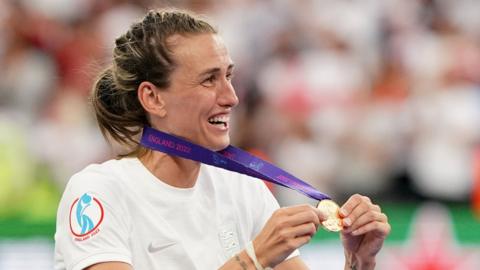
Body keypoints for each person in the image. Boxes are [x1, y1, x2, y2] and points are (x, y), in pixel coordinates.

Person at [54, 9, 390, 270]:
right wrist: (255, 259)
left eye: (228, 76)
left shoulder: (245, 190)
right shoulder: (98, 192)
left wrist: (358, 262)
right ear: (153, 98)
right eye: (208, 80)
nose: (231, 97)